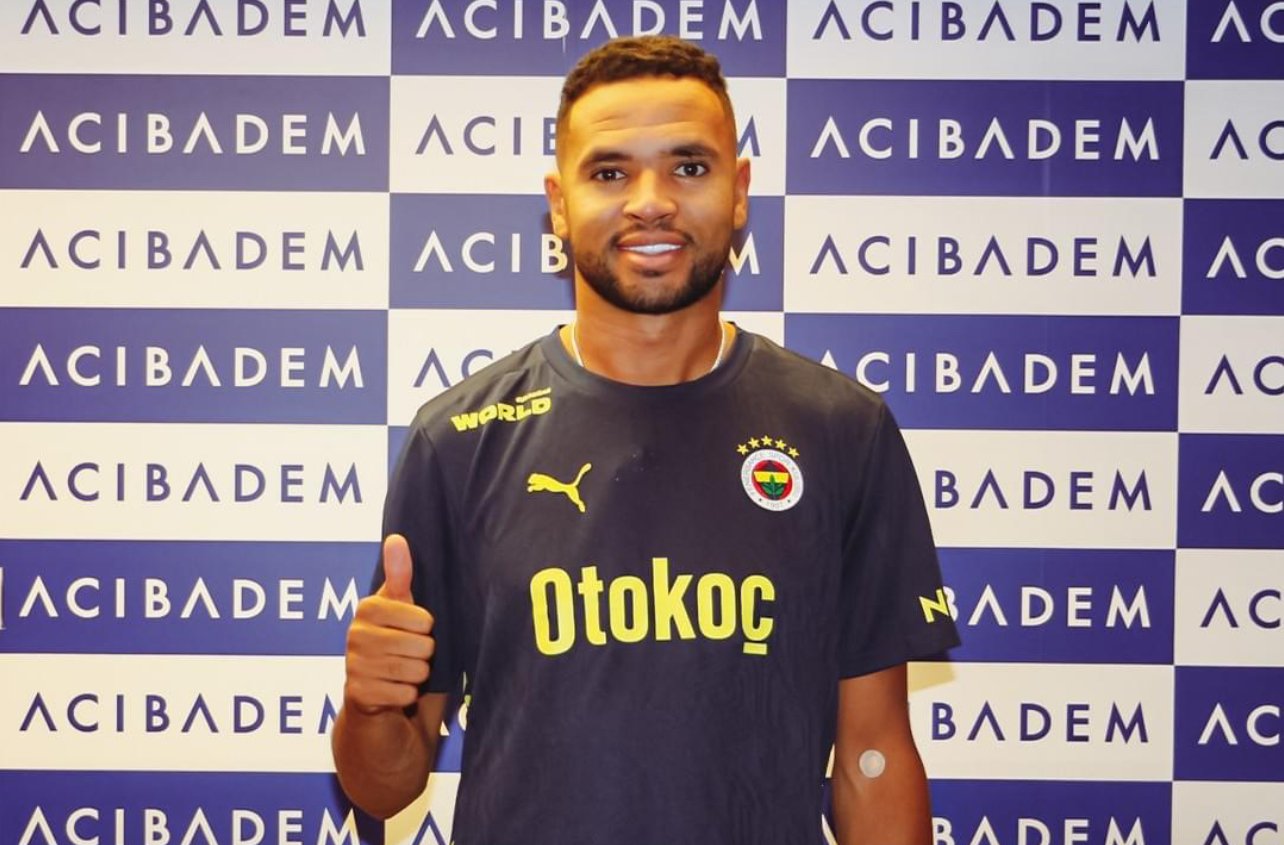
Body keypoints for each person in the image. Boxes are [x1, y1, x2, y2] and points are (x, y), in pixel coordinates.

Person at [332, 35, 959, 844]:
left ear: (740, 191)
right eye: (610, 172)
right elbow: (384, 789)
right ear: (559, 202)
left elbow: (872, 755)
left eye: (689, 167)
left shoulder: (842, 429)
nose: (651, 201)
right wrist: (370, 707)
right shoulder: (457, 438)